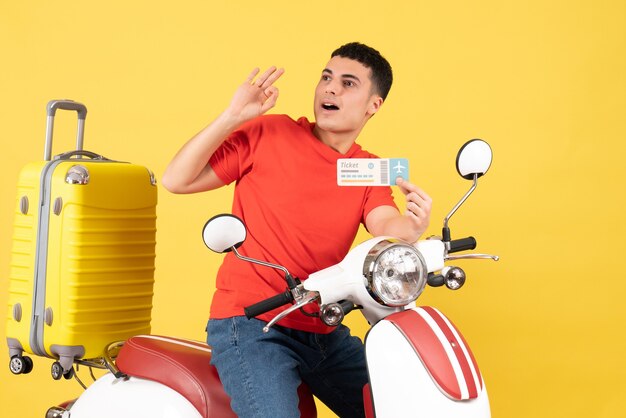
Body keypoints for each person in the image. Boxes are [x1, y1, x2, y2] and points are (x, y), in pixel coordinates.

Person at [162, 42, 432, 418]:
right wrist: (232, 116)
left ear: (374, 105)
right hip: (252, 324)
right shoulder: (270, 132)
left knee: (399, 407)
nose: (330, 89)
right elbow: (176, 180)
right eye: (326, 77)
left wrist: (413, 224)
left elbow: (386, 223)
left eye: (348, 83)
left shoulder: (369, 168)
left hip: (323, 326)